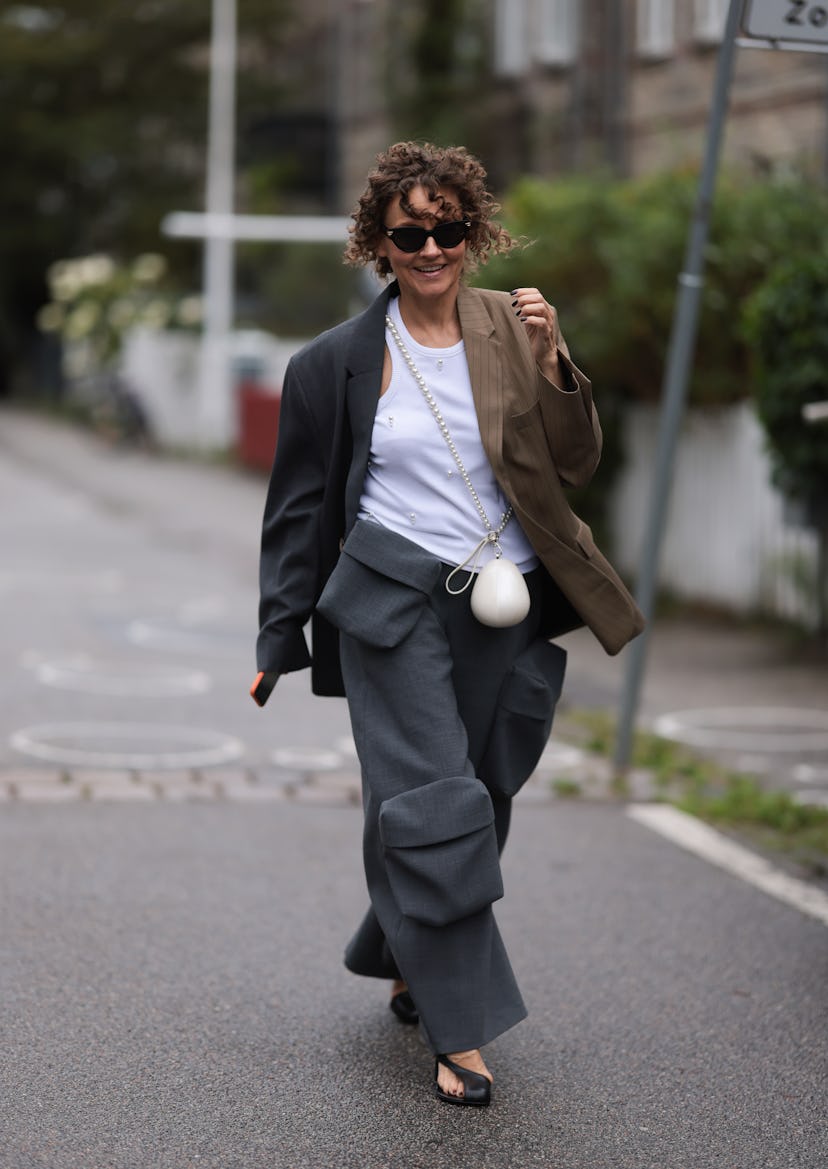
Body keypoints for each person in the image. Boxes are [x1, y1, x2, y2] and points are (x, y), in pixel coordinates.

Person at [251, 141, 644, 1107]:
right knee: (433, 803)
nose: (432, 247)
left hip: (502, 598)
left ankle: (401, 944)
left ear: (474, 229)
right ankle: (460, 1027)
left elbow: (578, 459)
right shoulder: (335, 364)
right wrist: (277, 638)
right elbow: (300, 508)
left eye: (449, 228)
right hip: (388, 600)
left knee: (482, 790)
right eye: (410, 233)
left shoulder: (514, 328)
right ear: (379, 244)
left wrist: (557, 363)